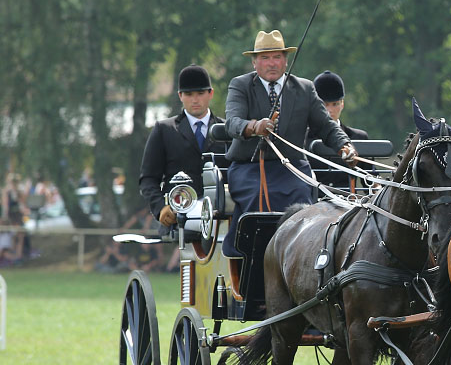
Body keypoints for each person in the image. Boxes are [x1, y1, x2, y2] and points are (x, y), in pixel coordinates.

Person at [222, 30, 358, 256]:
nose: (271, 63)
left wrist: (345, 146)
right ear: (254, 62)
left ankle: (302, 260)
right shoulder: (240, 85)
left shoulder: (304, 88)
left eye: (277, 57)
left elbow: (326, 126)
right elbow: (232, 122)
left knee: (303, 205)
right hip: (249, 168)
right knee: (257, 199)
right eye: (265, 58)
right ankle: (253, 261)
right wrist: (254, 127)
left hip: (292, 167)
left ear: (286, 61)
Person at [139, 64, 226, 227]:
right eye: (189, 94)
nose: (195, 99)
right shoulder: (164, 130)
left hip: (221, 217)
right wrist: (160, 208)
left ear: (210, 93)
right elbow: (148, 179)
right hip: (178, 219)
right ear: (180, 95)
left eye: (200, 93)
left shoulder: (226, 129)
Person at [306, 71, 368, 189]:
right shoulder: (302, 138)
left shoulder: (359, 137)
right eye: (324, 104)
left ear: (342, 104)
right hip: (312, 203)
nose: (330, 110)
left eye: (335, 104)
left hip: (349, 203)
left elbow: (370, 182)